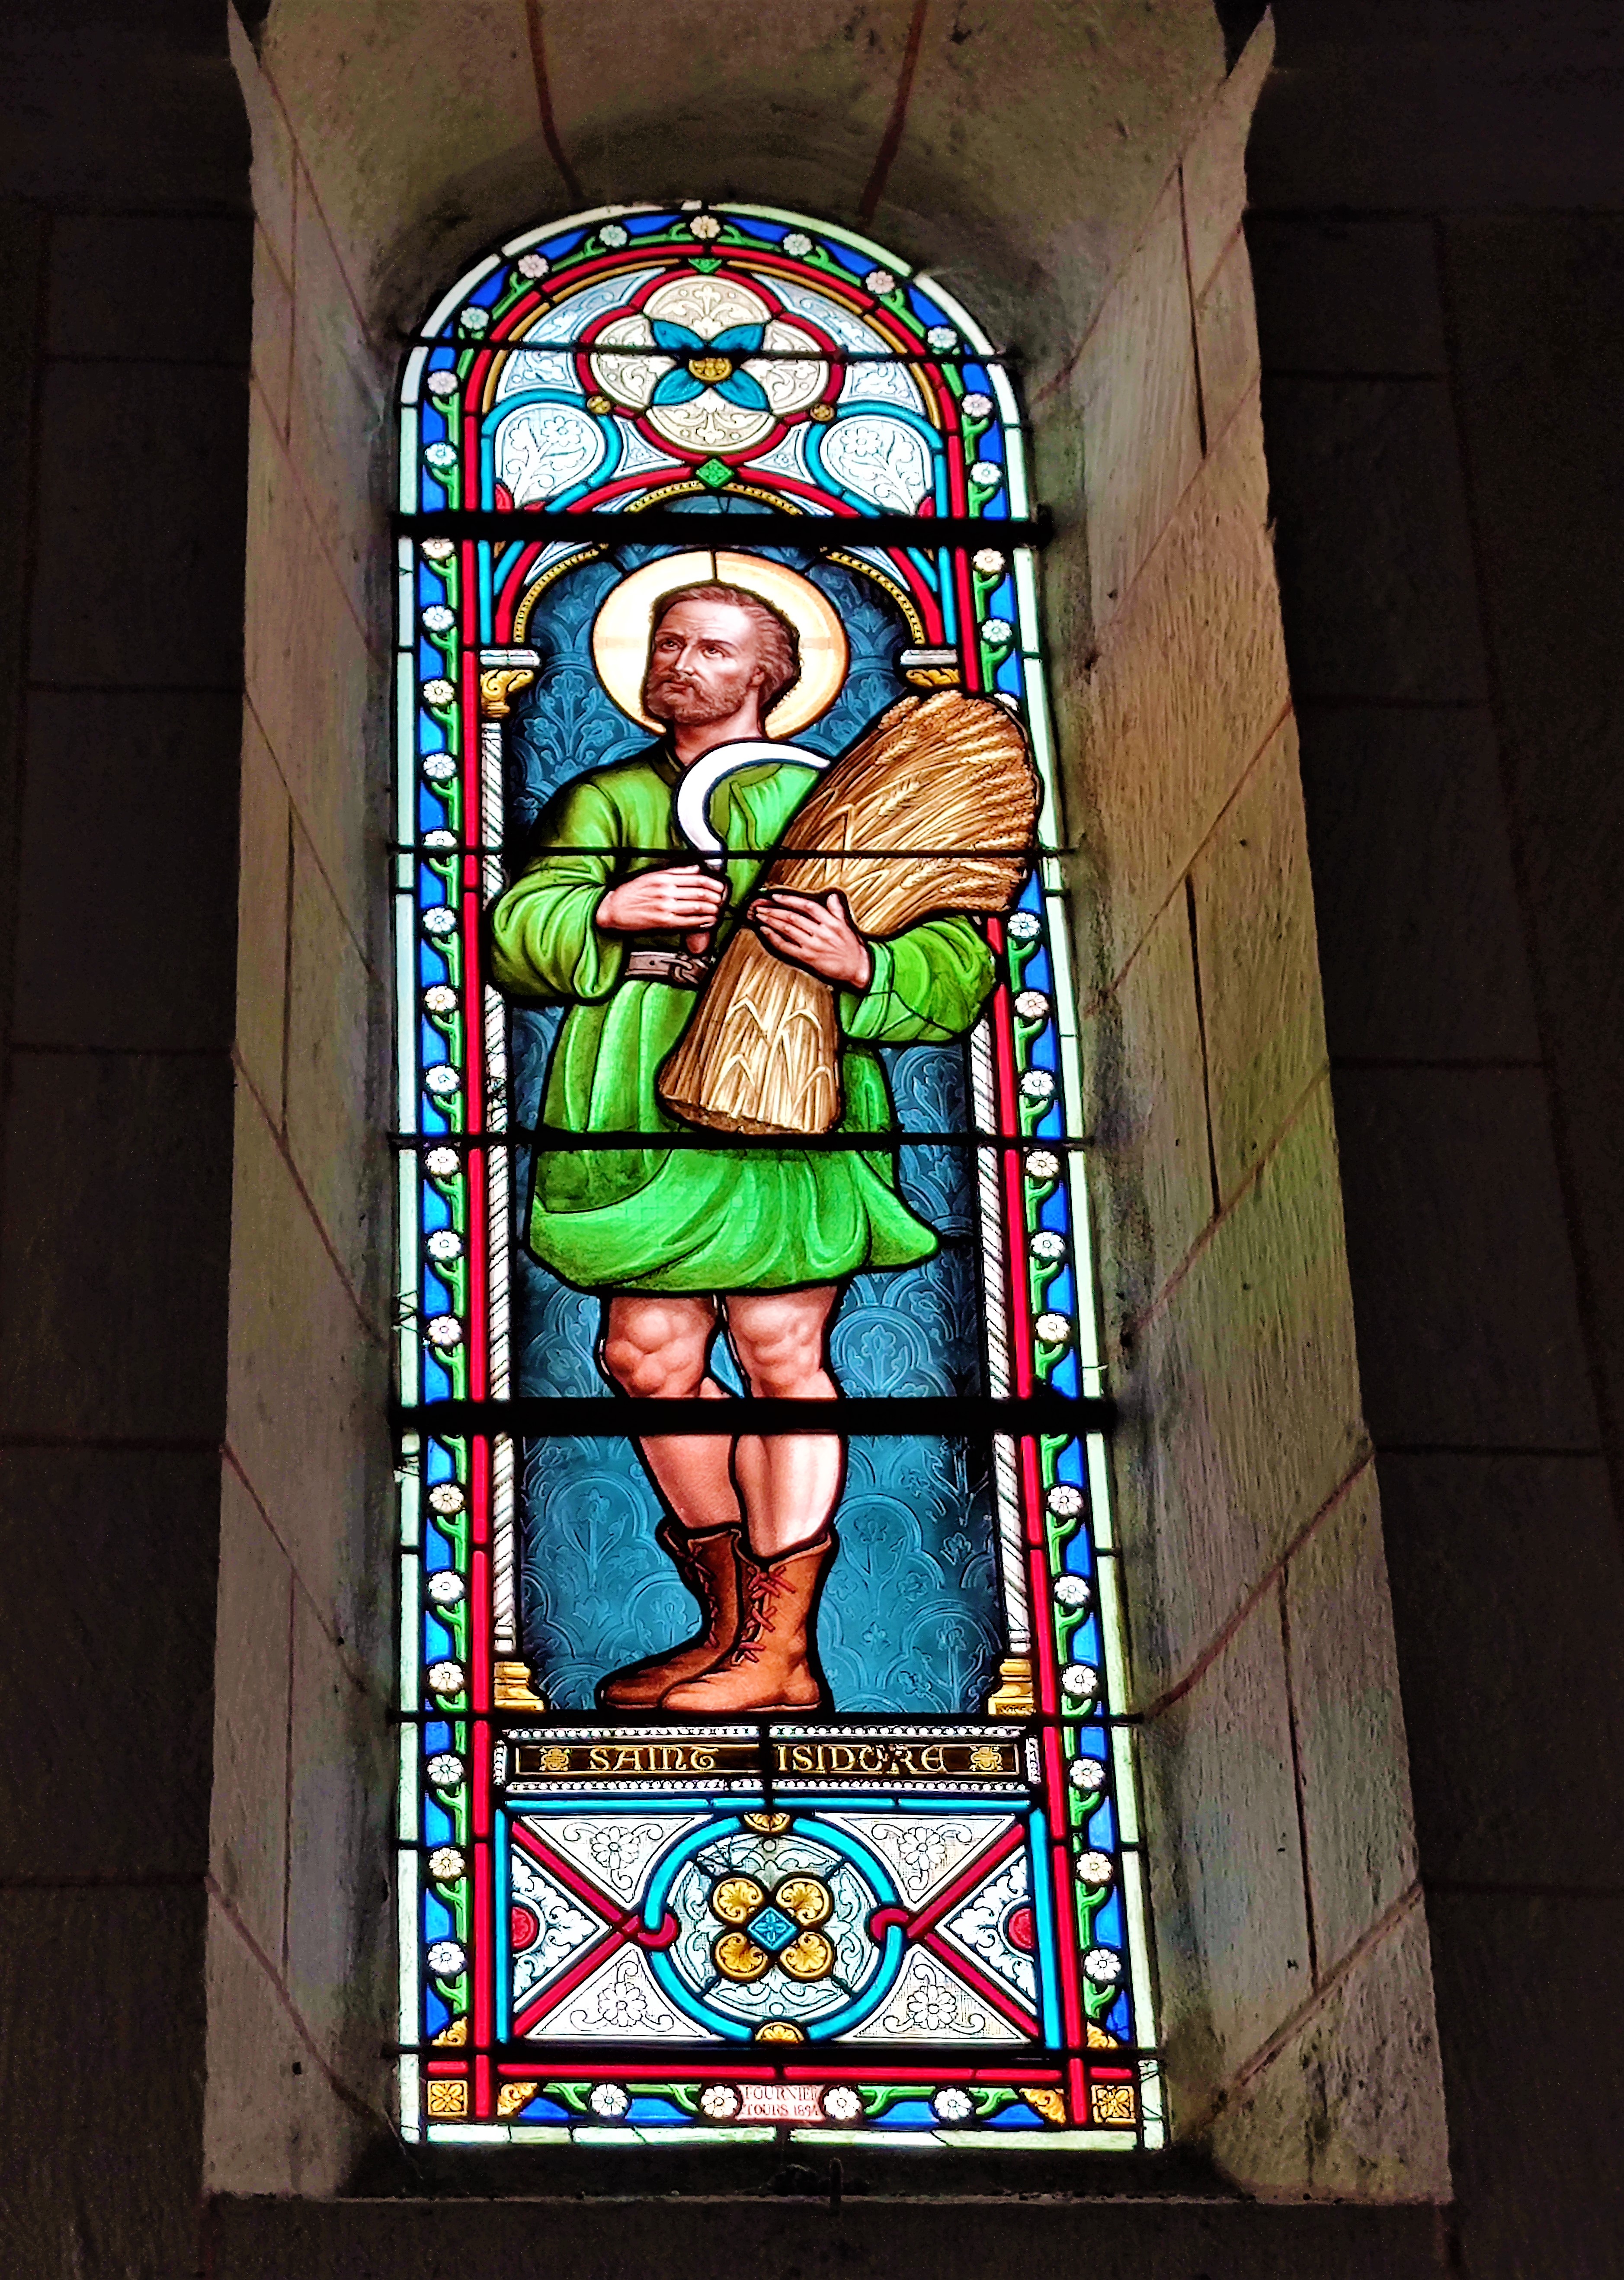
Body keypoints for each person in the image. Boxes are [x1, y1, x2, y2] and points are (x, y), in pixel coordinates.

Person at [489, 577, 994, 1714]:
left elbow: (956, 962)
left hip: (789, 1105)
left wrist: (859, 963)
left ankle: (783, 1647)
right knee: (645, 1357)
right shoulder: (610, 800)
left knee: (778, 1349)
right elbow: (516, 935)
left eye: (712, 649)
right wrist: (607, 912)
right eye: (668, 643)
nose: (680, 664)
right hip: (631, 1107)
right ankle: (726, 1621)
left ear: (771, 673)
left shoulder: (842, 800)